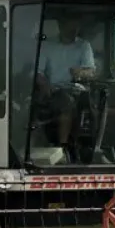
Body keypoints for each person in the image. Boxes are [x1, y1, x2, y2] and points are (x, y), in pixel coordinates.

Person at [35, 16, 96, 151]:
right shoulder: (47, 46)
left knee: (95, 108)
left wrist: (80, 72)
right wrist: (45, 85)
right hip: (55, 90)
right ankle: (62, 148)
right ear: (61, 26)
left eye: (76, 28)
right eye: (71, 27)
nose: (74, 31)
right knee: (66, 103)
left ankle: (94, 149)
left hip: (78, 89)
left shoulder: (84, 46)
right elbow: (37, 73)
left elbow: (91, 72)